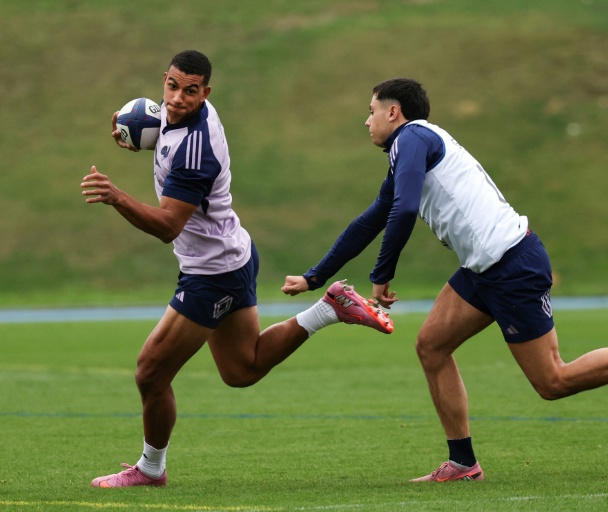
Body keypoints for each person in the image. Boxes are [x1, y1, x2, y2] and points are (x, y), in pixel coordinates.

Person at [281, 77, 608, 482]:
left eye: (371, 110)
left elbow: (407, 209)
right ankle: (462, 463)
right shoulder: (408, 152)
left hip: (511, 265)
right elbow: (371, 219)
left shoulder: (412, 137)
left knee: (552, 381)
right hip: (482, 269)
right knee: (431, 346)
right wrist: (315, 276)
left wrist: (381, 275)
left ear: (393, 112)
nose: (367, 120)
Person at [80, 50, 393, 488]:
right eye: (171, 86)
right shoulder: (188, 112)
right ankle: (330, 307)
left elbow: (168, 226)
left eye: (191, 91)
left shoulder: (196, 151)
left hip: (212, 274)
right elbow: (164, 125)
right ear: (164, 81)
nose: (177, 99)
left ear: (205, 92)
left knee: (150, 371)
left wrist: (117, 197)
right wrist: (134, 129)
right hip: (233, 254)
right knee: (241, 370)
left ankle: (150, 469)